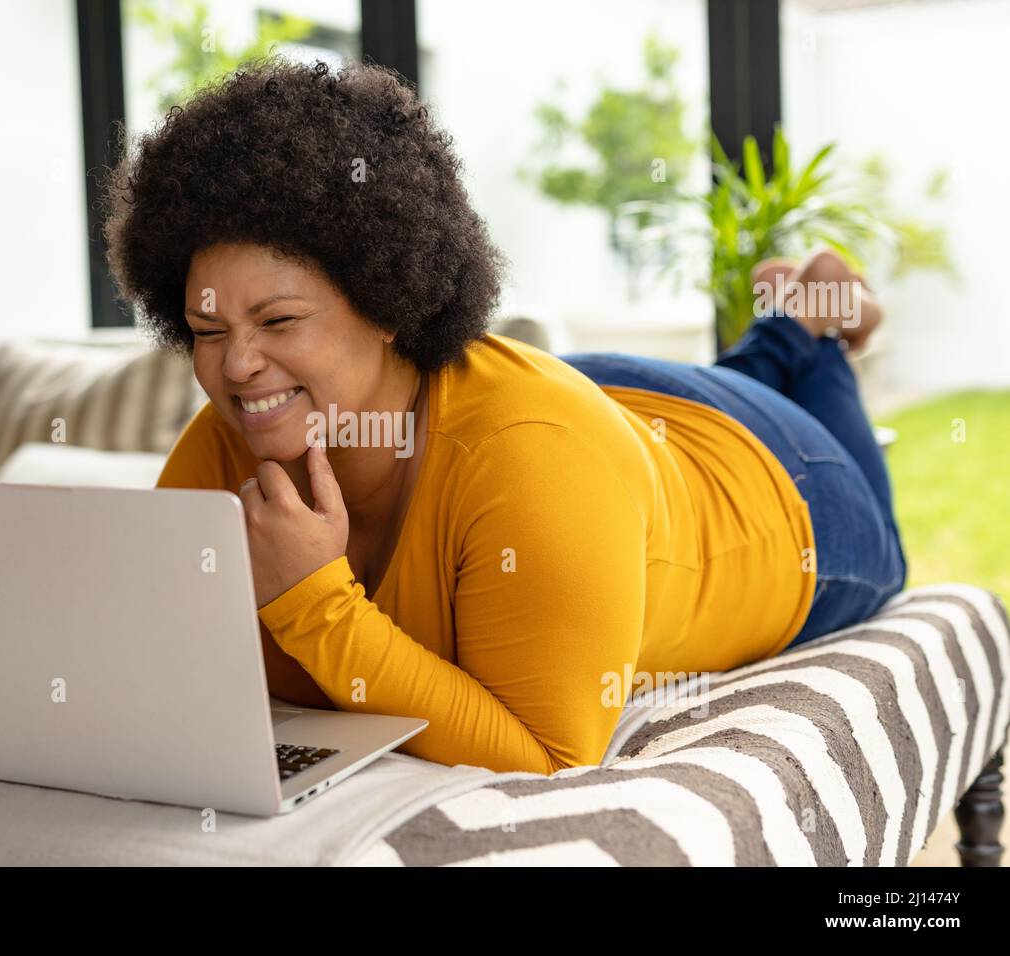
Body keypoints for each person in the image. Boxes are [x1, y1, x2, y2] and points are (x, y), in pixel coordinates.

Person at [103, 56, 906, 775]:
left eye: (277, 323)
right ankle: (781, 330)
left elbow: (550, 754)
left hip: (769, 478)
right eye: (208, 331)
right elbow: (150, 656)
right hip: (598, 409)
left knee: (889, 553)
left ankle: (814, 325)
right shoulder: (231, 438)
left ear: (387, 306)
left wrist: (315, 601)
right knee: (631, 414)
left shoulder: (533, 462)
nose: (237, 366)